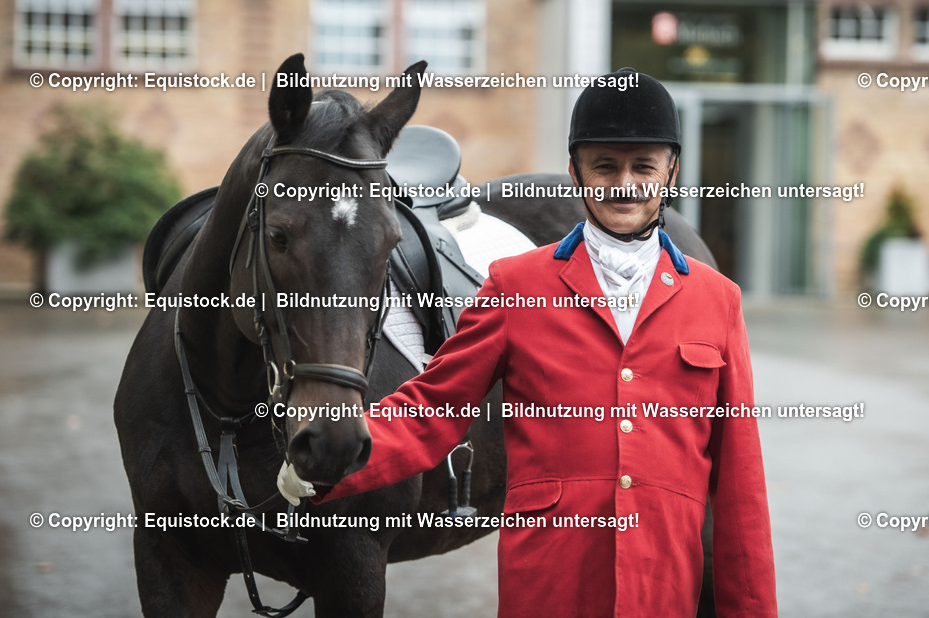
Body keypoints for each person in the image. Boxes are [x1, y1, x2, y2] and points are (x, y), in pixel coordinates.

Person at [289, 68, 778, 617]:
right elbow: (433, 409)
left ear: (671, 172)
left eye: (644, 166)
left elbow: (740, 483)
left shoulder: (717, 300)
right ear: (575, 171)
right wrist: (325, 464)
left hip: (662, 588)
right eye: (605, 166)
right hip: (548, 587)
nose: (624, 184)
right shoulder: (515, 285)